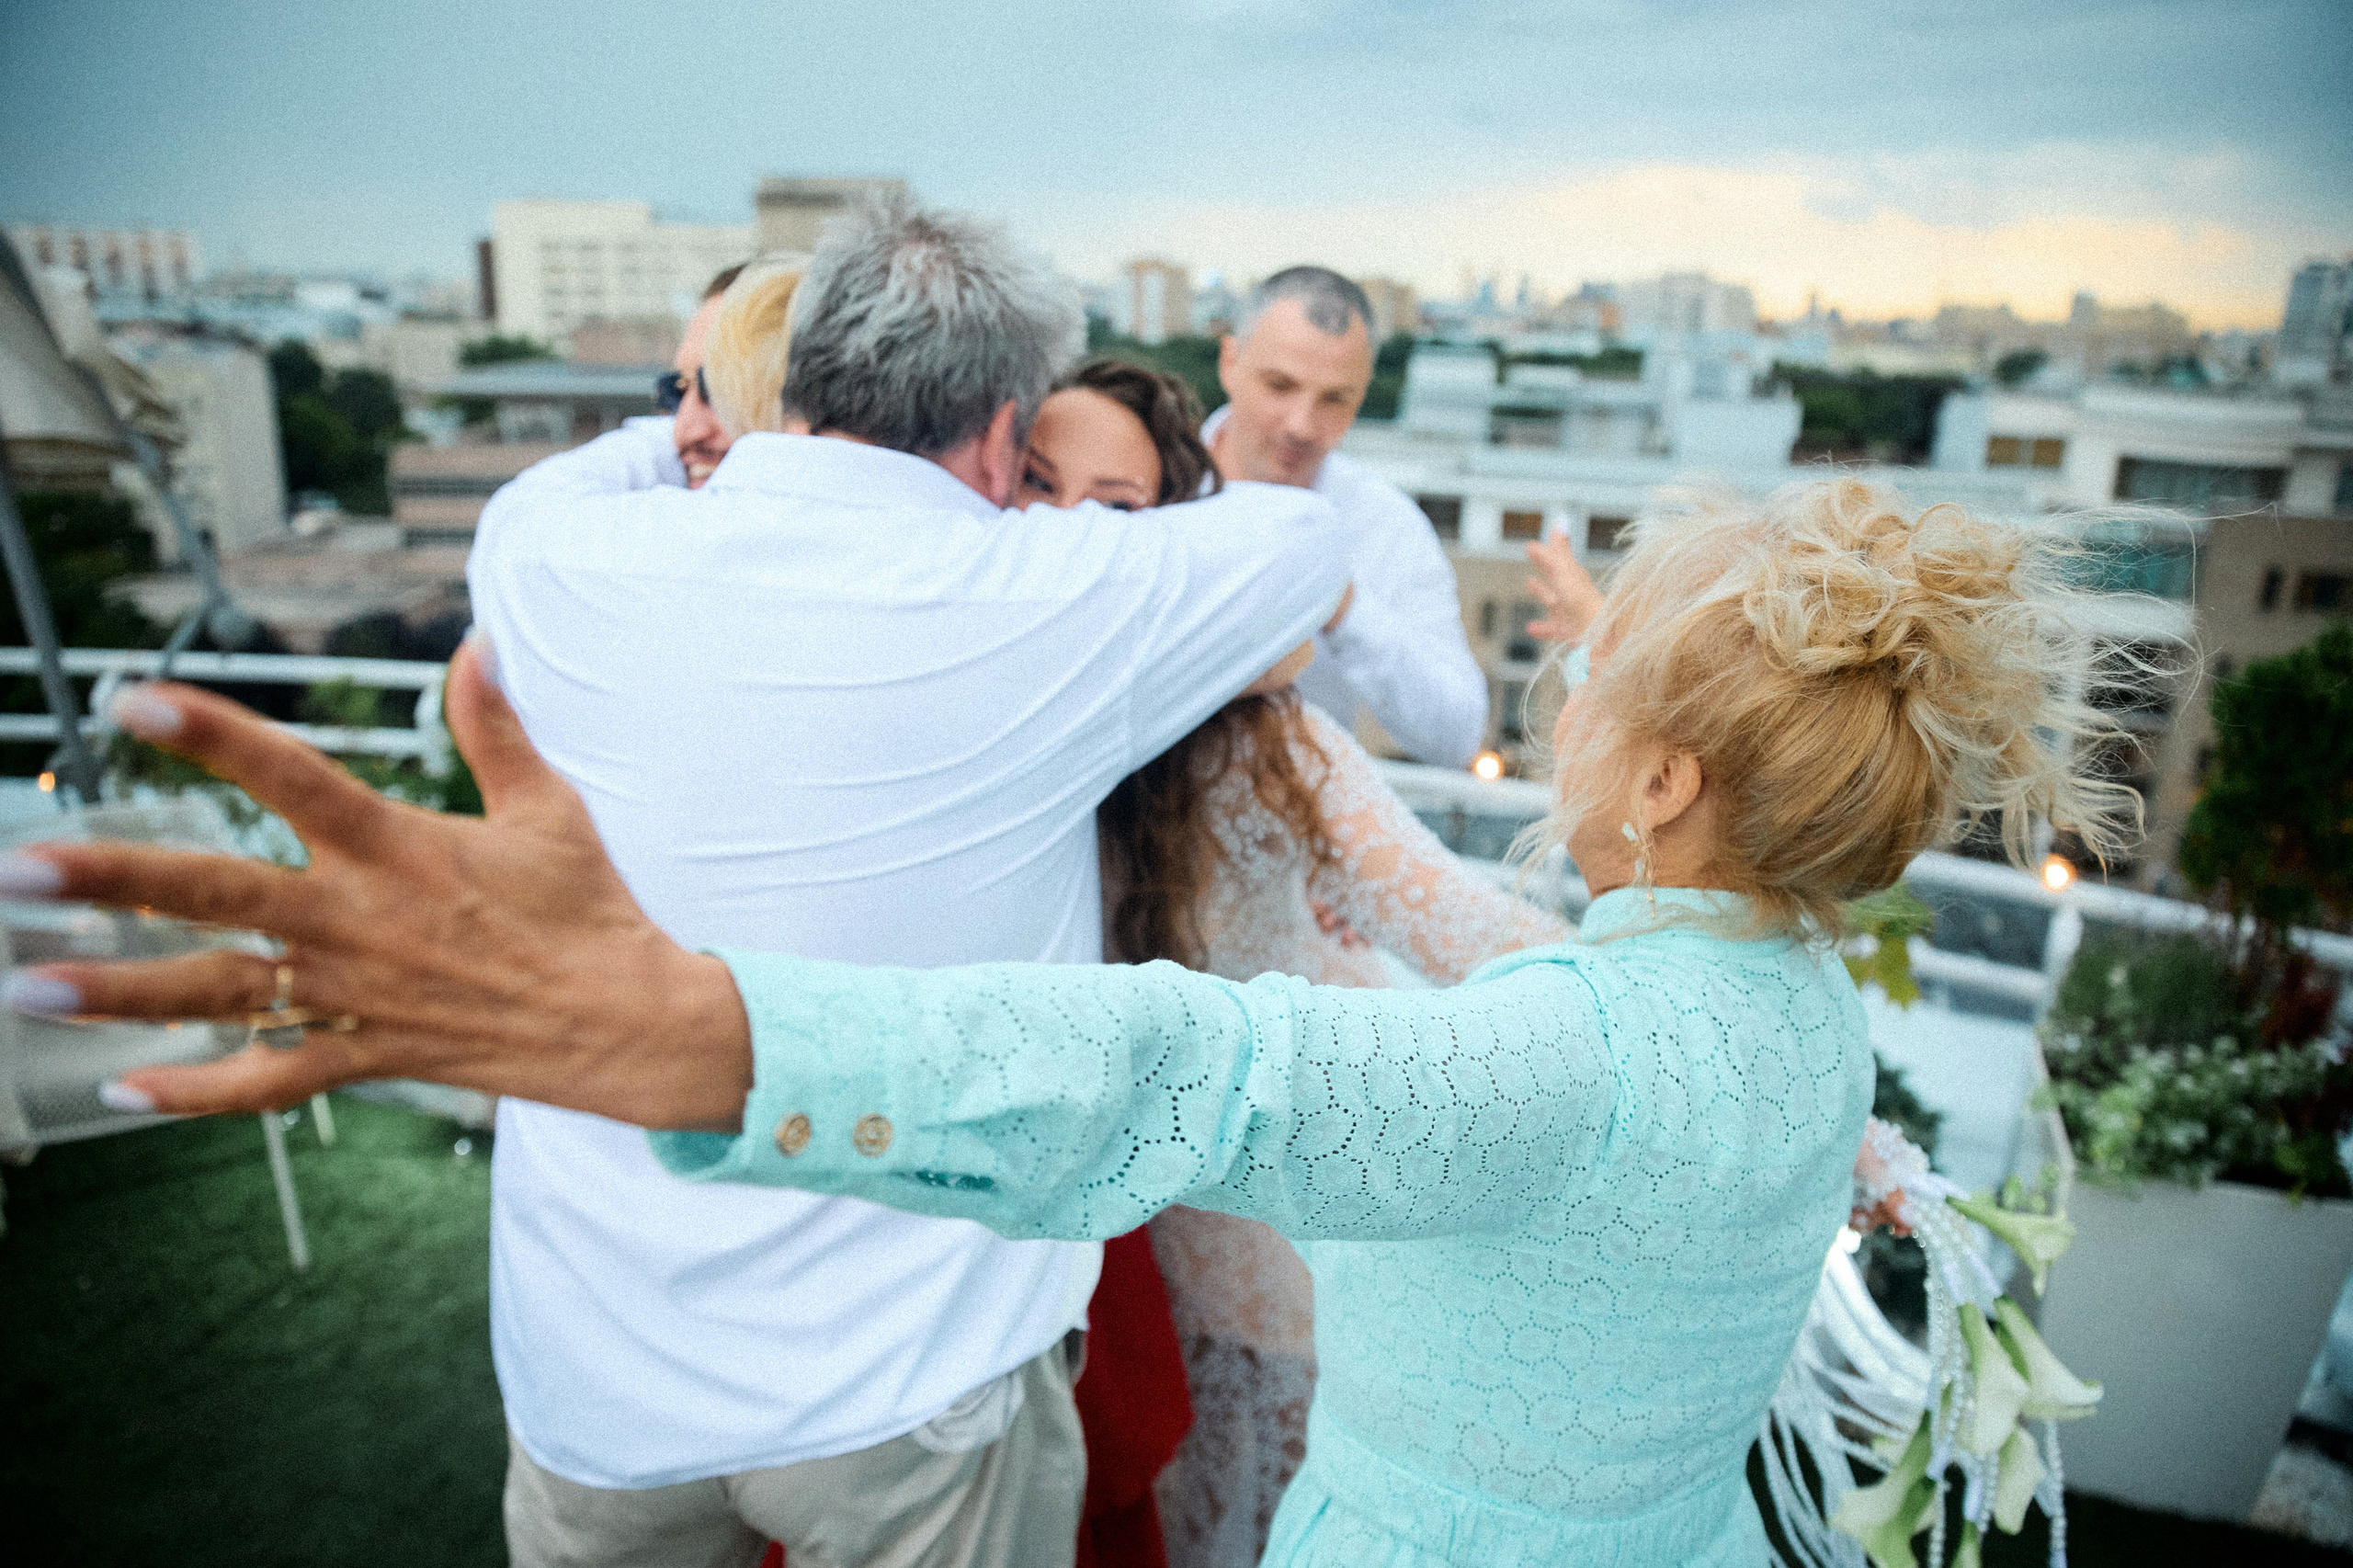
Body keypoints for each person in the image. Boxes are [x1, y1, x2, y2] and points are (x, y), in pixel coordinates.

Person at [10, 476, 2130, 1567]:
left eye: (1587, 691)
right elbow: (1560, 977)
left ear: (1662, 783)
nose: (1554, 706)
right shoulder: (1797, 1016)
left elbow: (1179, 1069)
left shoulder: (1554, 1065)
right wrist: (1490, 762)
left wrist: (681, 1025)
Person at [1205, 268, 1488, 768]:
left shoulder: (1385, 524)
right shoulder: (1143, 483)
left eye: (1336, 398)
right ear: (1230, 363)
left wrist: (1343, 605)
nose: (1302, 425)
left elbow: (1458, 735)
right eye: (1280, 386)